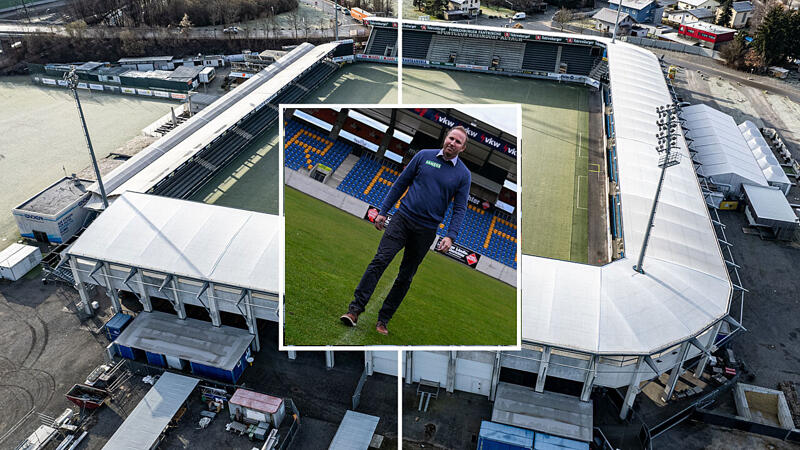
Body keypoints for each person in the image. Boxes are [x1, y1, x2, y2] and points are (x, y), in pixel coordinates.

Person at [340, 126, 472, 335]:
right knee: (380, 261)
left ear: (462, 148)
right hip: (402, 220)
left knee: (405, 277)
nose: (452, 143)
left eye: (458, 142)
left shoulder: (463, 175)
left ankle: (383, 320)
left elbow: (460, 208)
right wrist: (384, 211)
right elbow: (401, 183)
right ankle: (354, 310)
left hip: (426, 231)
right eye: (451, 138)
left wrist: (450, 235)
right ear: (445, 138)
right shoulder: (423, 156)